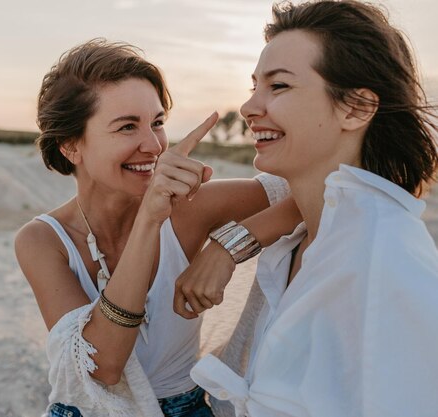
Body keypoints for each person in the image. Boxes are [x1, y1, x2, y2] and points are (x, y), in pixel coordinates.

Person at [175, 1, 438, 416]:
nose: (248, 108)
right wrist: (229, 244)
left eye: (278, 86)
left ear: (356, 108)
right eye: (254, 87)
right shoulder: (302, 241)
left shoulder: (387, 263)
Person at [15, 39, 301, 417]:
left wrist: (227, 249)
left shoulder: (191, 208)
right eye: (127, 127)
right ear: (71, 146)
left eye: (158, 123)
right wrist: (149, 218)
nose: (153, 145)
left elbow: (311, 194)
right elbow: (103, 366)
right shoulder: (43, 240)